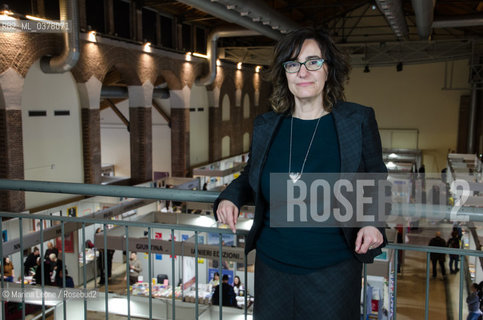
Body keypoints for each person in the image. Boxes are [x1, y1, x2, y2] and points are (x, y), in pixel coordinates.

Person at [214, 27, 387, 319]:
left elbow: (376, 178)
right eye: (293, 64)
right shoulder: (267, 126)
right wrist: (229, 198)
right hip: (272, 267)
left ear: (329, 69)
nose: (302, 72)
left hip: (334, 268)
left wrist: (372, 223)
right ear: (285, 74)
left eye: (313, 62)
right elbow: (249, 176)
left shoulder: (356, 120)